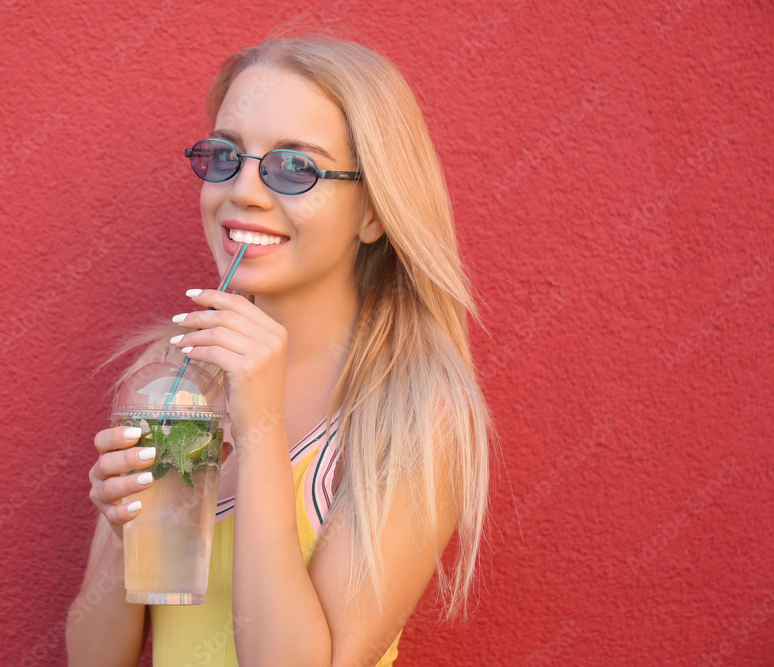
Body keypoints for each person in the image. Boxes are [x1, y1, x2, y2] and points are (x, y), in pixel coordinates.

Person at [67, 35, 492, 666]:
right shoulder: (170, 381)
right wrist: (121, 530)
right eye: (226, 157)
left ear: (374, 211)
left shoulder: (414, 411)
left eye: (296, 168)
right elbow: (96, 661)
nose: (243, 192)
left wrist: (260, 425)